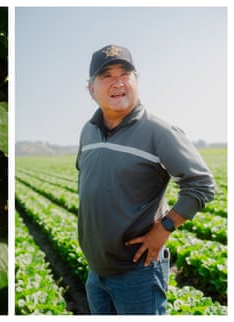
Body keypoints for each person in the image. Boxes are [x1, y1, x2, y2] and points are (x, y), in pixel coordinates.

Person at [75, 44, 215, 315]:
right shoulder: (88, 131)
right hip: (95, 271)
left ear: (135, 80)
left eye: (124, 73)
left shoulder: (158, 131)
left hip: (137, 273)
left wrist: (163, 228)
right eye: (106, 76)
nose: (117, 82)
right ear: (91, 88)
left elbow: (202, 185)